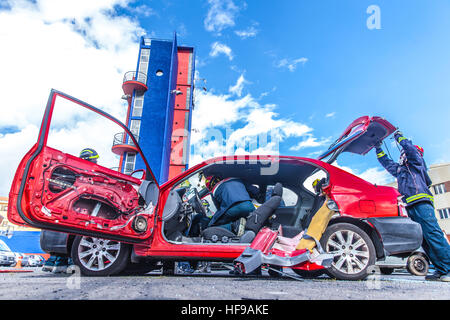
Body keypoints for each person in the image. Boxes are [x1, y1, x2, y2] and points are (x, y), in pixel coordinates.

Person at [375, 131, 450, 282]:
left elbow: (410, 150)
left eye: (404, 154)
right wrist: (378, 148)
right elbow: (387, 163)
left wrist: (398, 137)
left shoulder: (416, 164)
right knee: (423, 240)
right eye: (401, 154)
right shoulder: (401, 170)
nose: (402, 156)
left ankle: (448, 269)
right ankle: (440, 270)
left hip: (422, 204)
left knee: (433, 235)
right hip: (410, 207)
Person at [42, 148, 99, 273]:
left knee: (61, 231)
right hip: (75, 208)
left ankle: (55, 262)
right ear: (88, 159)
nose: (96, 162)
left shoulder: (69, 170)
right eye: (94, 160)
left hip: (62, 207)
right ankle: (69, 261)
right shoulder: (85, 171)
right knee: (73, 232)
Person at [189, 176, 265, 237]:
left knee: (212, 226)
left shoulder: (215, 190)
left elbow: (218, 209)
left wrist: (212, 221)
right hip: (249, 206)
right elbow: (255, 191)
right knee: (247, 221)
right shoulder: (238, 179)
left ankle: (233, 226)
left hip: (232, 209)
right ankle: (240, 226)